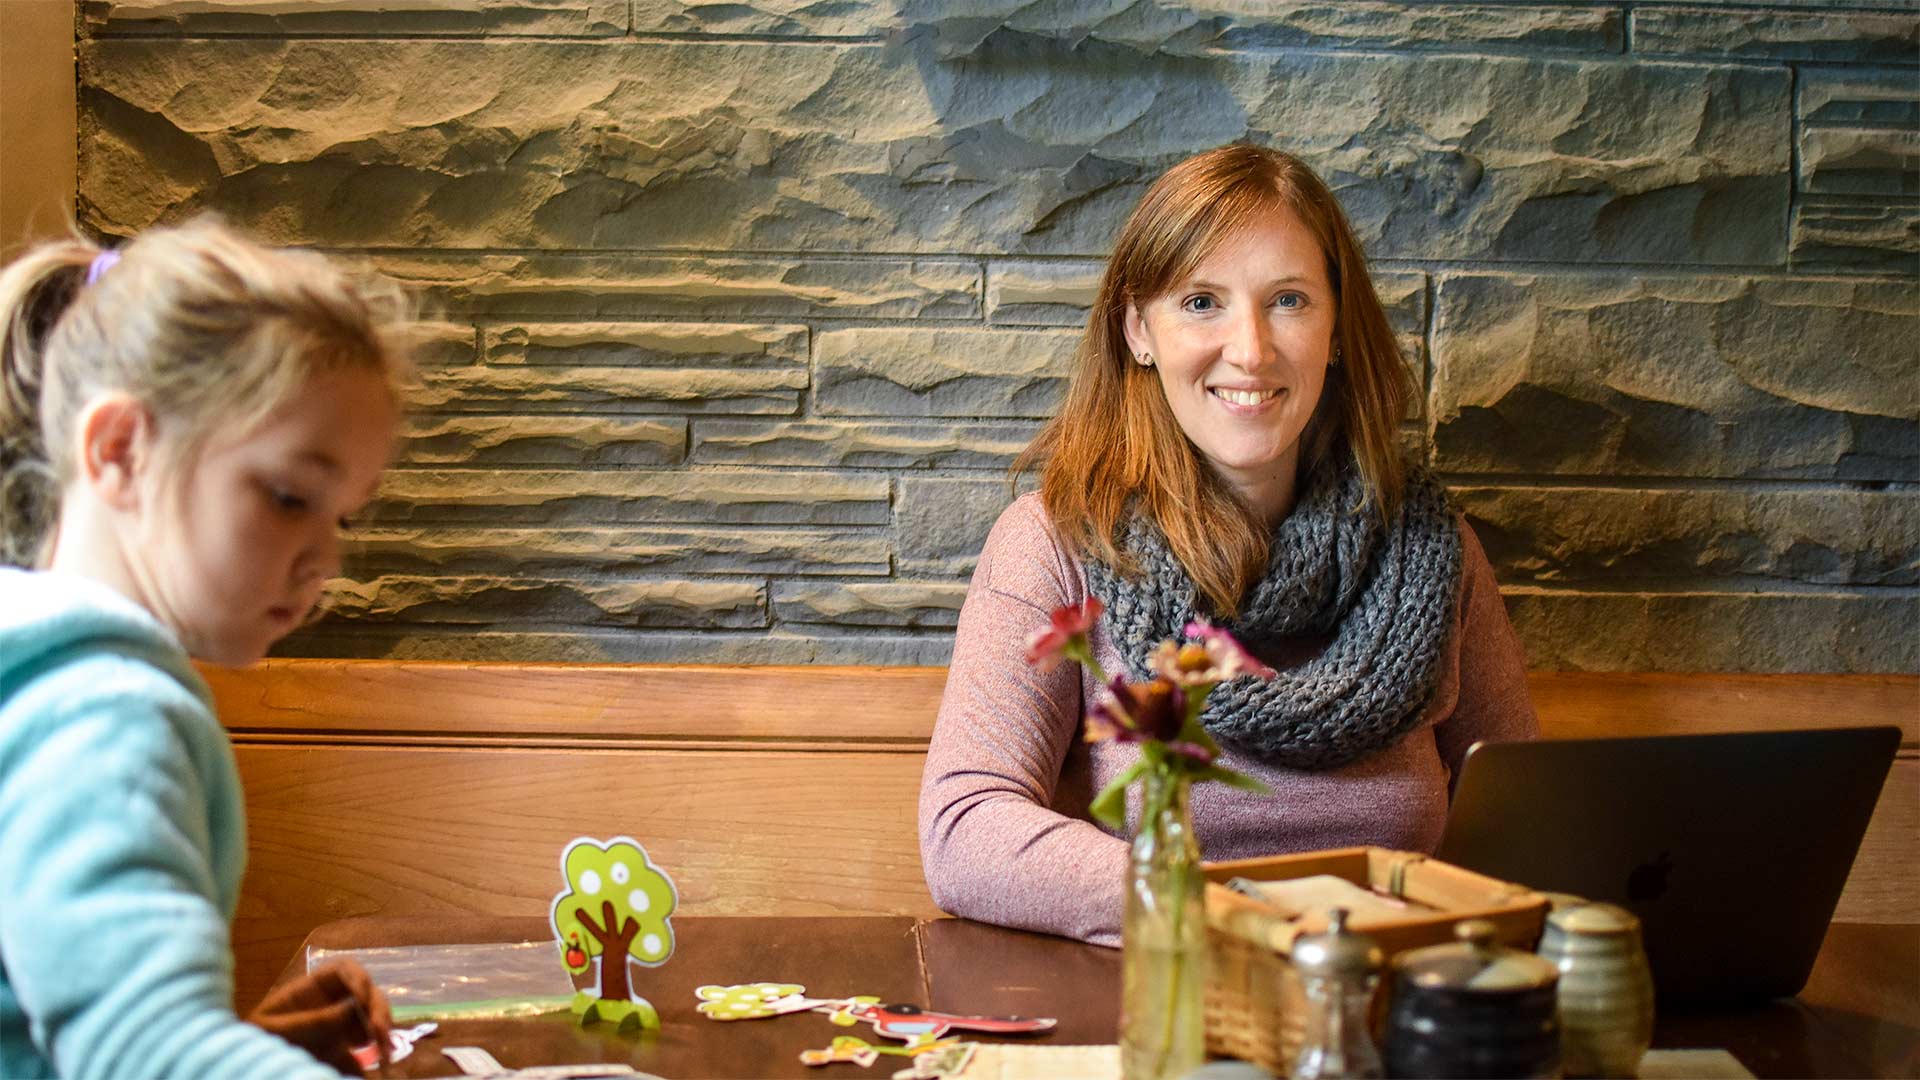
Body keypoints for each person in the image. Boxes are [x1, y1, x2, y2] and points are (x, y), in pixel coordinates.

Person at [918, 144, 1538, 946]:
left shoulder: (1432, 549)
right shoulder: (1059, 545)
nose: (1250, 349)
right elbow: (967, 828)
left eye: (1288, 300)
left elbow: (1521, 826)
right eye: (1203, 302)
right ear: (1139, 330)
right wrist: (1233, 913)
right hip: (1163, 1007)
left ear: (1338, 328)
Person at [0, 219, 413, 1076]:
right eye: (290, 495)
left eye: (343, 515)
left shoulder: (37, 678)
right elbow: (141, 1056)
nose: (327, 559)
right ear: (120, 451)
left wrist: (244, 1047)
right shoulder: (105, 716)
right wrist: (189, 1046)